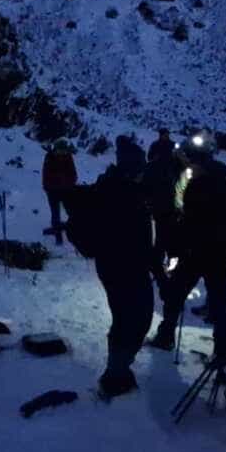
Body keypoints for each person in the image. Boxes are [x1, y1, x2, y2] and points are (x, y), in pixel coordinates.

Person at [146, 129, 226, 358]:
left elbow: (188, 219)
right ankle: (222, 350)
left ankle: (166, 336)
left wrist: (177, 243)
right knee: (219, 299)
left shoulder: (199, 182)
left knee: (176, 294)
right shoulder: (222, 176)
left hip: (199, 251)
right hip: (220, 250)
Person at [88, 136, 155, 399]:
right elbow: (132, 236)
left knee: (130, 318)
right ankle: (115, 375)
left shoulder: (120, 188)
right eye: (139, 168)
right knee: (133, 319)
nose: (142, 173)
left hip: (119, 266)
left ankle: (118, 369)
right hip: (122, 266)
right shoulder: (120, 192)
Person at [141, 137, 181, 294]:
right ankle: (171, 271)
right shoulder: (175, 163)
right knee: (171, 242)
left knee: (161, 241)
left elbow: (145, 187)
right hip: (173, 209)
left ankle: (159, 273)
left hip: (160, 209)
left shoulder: (153, 165)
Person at [41, 139, 77, 244]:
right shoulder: (49, 157)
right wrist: (48, 187)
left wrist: (70, 184)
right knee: (55, 212)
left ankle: (73, 231)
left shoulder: (68, 157)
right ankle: (58, 235)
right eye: (60, 151)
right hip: (53, 190)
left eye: (64, 151)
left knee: (71, 211)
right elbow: (46, 174)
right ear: (55, 149)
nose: (62, 153)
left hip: (66, 190)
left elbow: (73, 173)